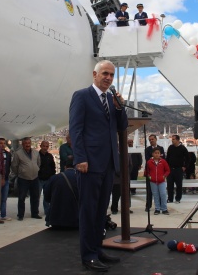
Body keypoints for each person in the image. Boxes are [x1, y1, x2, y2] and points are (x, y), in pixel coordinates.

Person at [69, 60, 128, 272]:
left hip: (108, 163)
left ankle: (97, 249)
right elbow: (75, 129)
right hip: (89, 163)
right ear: (95, 74)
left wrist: (120, 108)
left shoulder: (111, 100)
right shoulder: (81, 96)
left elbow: (122, 126)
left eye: (111, 75)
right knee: (88, 211)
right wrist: (80, 158)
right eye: (105, 73)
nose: (108, 78)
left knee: (101, 211)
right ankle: (88, 256)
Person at [11, 137, 41, 221]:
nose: (27, 145)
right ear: (22, 144)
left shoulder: (36, 152)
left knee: (35, 197)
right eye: (25, 143)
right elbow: (14, 166)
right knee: (21, 197)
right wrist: (20, 172)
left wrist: (35, 169)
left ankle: (35, 213)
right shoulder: (18, 153)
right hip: (23, 178)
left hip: (34, 178)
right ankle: (20, 215)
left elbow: (38, 163)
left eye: (29, 143)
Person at [44, 159, 79, 229]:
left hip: (56, 220)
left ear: (65, 167)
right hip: (76, 220)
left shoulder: (54, 178)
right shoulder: (80, 178)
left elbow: (47, 197)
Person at [144, 149, 170, 215]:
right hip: (153, 182)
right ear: (153, 154)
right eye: (155, 153)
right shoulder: (149, 162)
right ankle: (157, 209)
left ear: (160, 154)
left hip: (161, 181)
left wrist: (164, 176)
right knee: (156, 195)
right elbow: (146, 171)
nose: (157, 154)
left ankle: (164, 209)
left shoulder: (163, 161)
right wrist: (150, 177)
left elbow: (167, 170)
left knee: (163, 194)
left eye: (158, 153)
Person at [166, 134, 189, 203]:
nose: (172, 141)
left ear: (178, 140)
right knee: (170, 185)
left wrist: (185, 166)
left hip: (178, 169)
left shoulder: (182, 148)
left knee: (179, 185)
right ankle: (170, 198)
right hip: (170, 169)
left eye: (174, 139)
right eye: (172, 139)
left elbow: (188, 158)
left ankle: (178, 198)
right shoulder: (170, 147)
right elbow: (168, 157)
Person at [38, 140, 56, 217]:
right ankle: (35, 212)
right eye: (44, 146)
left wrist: (52, 177)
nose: (45, 148)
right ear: (40, 146)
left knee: (47, 196)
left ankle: (47, 211)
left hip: (48, 179)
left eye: (47, 146)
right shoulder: (37, 155)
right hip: (39, 179)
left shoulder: (50, 156)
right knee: (37, 196)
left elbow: (53, 167)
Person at [0, 138, 13, 221]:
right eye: (0, 143)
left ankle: (3, 214)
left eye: (4, 143)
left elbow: (9, 165)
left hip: (6, 178)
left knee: (4, 198)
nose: (2, 145)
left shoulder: (8, 154)